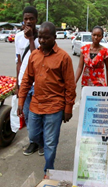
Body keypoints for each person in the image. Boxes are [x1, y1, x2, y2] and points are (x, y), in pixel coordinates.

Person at [17, 22, 76, 176]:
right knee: (33, 135)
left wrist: (68, 108)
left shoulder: (64, 57)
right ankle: (45, 146)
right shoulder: (34, 55)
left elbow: (70, 86)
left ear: (54, 37)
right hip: (36, 104)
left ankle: (48, 170)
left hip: (55, 107)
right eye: (41, 37)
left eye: (46, 38)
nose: (42, 41)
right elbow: (26, 80)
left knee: (50, 142)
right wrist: (21, 101)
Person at [14, 6, 41, 156]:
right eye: (26, 19)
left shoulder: (40, 38)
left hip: (37, 84)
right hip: (24, 83)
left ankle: (39, 142)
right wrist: (17, 83)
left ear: (36, 20)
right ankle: (34, 142)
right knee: (26, 114)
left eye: (31, 18)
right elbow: (18, 61)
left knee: (37, 115)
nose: (28, 21)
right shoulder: (18, 37)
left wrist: (31, 38)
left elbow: (35, 59)